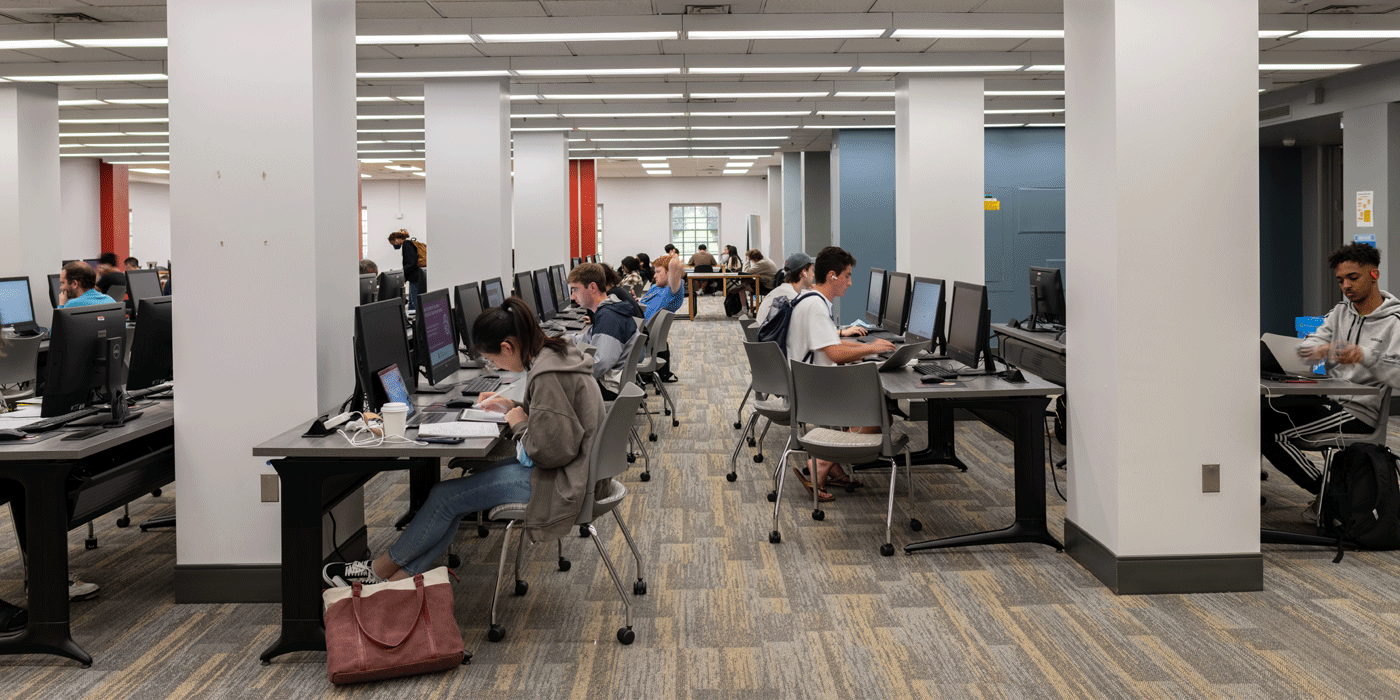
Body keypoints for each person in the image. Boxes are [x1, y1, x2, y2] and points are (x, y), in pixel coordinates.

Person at [323, 297, 605, 586]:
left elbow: (551, 451)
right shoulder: (555, 354)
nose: (496, 366)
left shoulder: (548, 374)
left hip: (562, 480)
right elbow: (559, 419)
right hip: (573, 471)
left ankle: (378, 571)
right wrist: (511, 405)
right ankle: (395, 583)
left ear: (508, 346)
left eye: (495, 359)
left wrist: (519, 424)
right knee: (450, 499)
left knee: (445, 498)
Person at [1262, 242, 1400, 518]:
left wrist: (1364, 355)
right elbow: (1309, 346)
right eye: (1340, 280)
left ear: (1374, 275)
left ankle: (1329, 495)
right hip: (1328, 401)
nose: (1346, 286)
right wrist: (1316, 350)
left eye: (1353, 278)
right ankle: (1330, 493)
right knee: (1258, 418)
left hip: (1357, 412)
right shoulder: (1341, 311)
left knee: (1272, 433)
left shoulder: (1394, 322)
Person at [786, 246, 892, 501]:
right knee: (878, 411)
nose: (850, 282)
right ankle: (822, 462)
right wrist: (869, 352)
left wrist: (871, 348)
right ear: (833, 276)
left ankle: (831, 461)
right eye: (847, 276)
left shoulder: (811, 299)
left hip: (808, 384)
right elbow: (834, 353)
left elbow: (832, 342)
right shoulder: (816, 306)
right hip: (815, 392)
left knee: (871, 395)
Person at [569, 263, 640, 400]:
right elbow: (584, 338)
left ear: (592, 287)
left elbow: (601, 362)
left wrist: (571, 376)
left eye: (576, 290)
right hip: (614, 381)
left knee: (554, 388)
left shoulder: (609, 318)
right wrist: (556, 340)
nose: (572, 297)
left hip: (608, 387)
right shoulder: (608, 310)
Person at [638, 254, 686, 382]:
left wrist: (673, 262)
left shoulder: (673, 291)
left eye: (658, 272)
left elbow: (675, 272)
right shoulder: (655, 287)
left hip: (641, 335)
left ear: (669, 273)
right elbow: (645, 304)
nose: (654, 275)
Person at [755, 252, 814, 323]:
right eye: (811, 270)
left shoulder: (780, 292)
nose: (813, 274)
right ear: (804, 272)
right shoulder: (791, 301)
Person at [725, 248, 778, 318]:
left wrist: (747, 261)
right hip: (768, 283)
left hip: (766, 286)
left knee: (741, 288)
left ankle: (744, 311)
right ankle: (745, 308)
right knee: (744, 283)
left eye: (750, 259)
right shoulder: (765, 260)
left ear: (754, 259)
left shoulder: (761, 263)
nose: (751, 262)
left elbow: (747, 271)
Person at [388, 229, 425, 311]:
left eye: (393, 243)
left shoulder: (406, 244)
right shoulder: (410, 243)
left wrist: (402, 272)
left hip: (415, 277)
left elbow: (411, 262)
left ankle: (415, 321)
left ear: (396, 239)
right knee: (412, 302)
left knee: (414, 302)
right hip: (416, 276)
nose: (393, 245)